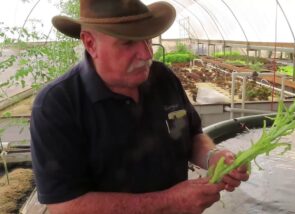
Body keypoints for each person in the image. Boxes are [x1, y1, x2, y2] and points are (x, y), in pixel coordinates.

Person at [30, 0, 249, 213]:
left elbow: (191, 135)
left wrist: (212, 156)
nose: (146, 54)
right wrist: (169, 203)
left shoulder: (163, 78)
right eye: (127, 42)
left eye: (148, 40)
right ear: (90, 43)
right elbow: (65, 206)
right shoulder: (56, 105)